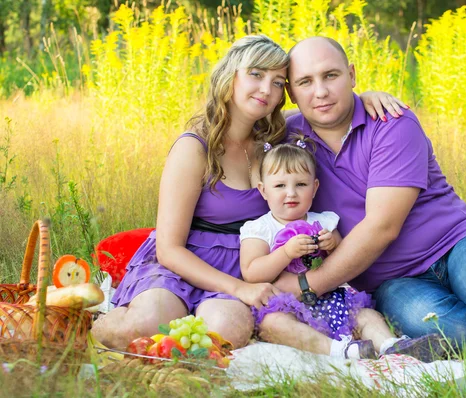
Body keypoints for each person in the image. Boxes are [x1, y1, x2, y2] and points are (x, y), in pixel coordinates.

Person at [266, 36, 466, 354]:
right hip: (393, 282)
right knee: (464, 336)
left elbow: (382, 226)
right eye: (305, 82)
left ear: (351, 74)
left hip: (455, 245)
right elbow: (237, 128)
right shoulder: (290, 138)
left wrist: (309, 285)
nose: (321, 91)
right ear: (291, 92)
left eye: (331, 75)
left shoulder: (390, 121)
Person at [91, 35, 406, 350]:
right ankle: (87, 321)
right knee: (147, 323)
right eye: (256, 74)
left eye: (278, 82)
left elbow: (328, 110)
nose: (266, 89)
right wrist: (238, 288)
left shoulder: (279, 140)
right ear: (230, 76)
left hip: (247, 266)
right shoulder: (194, 147)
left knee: (228, 332)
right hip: (184, 263)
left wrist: (364, 97)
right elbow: (169, 249)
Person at [239, 141, 445, 360]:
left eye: (301, 184)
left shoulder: (324, 221)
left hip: (331, 300)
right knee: (273, 324)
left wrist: (331, 244)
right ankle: (342, 351)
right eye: (280, 186)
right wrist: (286, 253)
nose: (291, 193)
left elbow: (342, 255)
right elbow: (252, 272)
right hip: (288, 306)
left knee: (365, 315)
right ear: (263, 190)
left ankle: (391, 346)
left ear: (315, 187)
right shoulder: (260, 228)